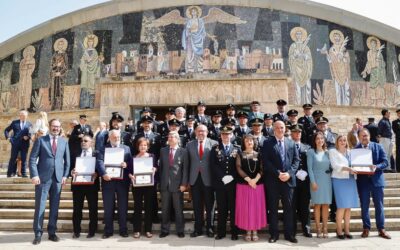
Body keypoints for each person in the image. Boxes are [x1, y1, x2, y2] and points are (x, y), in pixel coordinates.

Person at [29, 119, 70, 245]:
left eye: (58, 126)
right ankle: (38, 233)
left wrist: (65, 176)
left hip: (57, 179)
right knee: (40, 206)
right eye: (53, 126)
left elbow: (68, 162)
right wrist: (34, 175)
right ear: (49, 126)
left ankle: (52, 232)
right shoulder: (41, 140)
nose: (56, 128)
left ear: (60, 128)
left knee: (55, 207)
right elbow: (32, 159)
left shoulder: (64, 142)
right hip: (42, 179)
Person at [262, 120, 299, 243]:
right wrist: (278, 173)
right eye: (277, 127)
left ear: (285, 129)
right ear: (273, 129)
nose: (280, 129)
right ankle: (274, 234)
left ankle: (289, 234)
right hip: (273, 181)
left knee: (289, 208)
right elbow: (266, 162)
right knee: (273, 208)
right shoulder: (267, 143)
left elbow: (296, 161)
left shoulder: (291, 143)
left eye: (282, 127)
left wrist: (289, 173)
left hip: (288, 181)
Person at [356, 128, 391, 239]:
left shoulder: (378, 146)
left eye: (366, 135)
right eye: (362, 136)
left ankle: (381, 229)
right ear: (359, 137)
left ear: (369, 136)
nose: (364, 137)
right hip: (363, 182)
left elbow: (385, 162)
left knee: (379, 206)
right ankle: (366, 228)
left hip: (377, 181)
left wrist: (377, 167)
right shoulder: (355, 150)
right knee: (364, 206)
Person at [97, 129, 132, 239]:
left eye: (118, 137)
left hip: (122, 182)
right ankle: (108, 230)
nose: (116, 138)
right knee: (108, 207)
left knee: (123, 207)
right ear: (109, 137)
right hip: (108, 181)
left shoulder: (126, 148)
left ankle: (123, 230)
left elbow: (130, 162)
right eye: (114, 137)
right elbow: (99, 162)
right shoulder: (103, 149)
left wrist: (126, 164)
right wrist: (103, 173)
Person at [186, 124, 218, 237]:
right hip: (194, 179)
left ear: (207, 132)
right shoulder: (189, 145)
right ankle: (198, 229)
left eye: (203, 131)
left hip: (209, 179)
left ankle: (210, 228)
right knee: (197, 206)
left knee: (210, 206)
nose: (201, 133)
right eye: (199, 131)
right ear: (195, 132)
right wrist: (187, 181)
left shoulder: (214, 144)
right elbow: (187, 164)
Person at [210, 126, 240, 240]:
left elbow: (239, 166)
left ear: (231, 135)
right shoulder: (215, 148)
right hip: (220, 183)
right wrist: (223, 177)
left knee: (233, 209)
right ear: (221, 136)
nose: (226, 136)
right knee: (221, 209)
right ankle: (221, 232)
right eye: (223, 134)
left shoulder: (237, 148)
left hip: (233, 184)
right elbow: (213, 165)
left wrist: (231, 176)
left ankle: (234, 232)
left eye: (228, 134)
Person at [235, 134, 267, 241]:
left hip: (257, 185)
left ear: (254, 142)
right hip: (244, 185)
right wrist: (249, 180)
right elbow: (238, 168)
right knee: (246, 209)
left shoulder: (259, 154)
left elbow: (262, 169)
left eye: (251, 141)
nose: (249, 142)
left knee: (255, 208)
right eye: (247, 141)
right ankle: (248, 230)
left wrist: (255, 180)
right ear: (244, 143)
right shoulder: (240, 154)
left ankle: (255, 230)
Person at [328, 135, 359, 239]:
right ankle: (339, 230)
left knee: (348, 207)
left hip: (350, 180)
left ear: (347, 142)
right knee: (341, 206)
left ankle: (347, 230)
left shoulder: (351, 152)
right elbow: (335, 166)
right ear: (337, 142)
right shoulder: (333, 152)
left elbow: (357, 165)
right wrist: (347, 168)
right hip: (339, 180)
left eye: (344, 140)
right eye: (340, 140)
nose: (342, 142)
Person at [159, 131, 188, 238]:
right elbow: (161, 167)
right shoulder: (163, 150)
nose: (170, 138)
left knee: (178, 209)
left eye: (173, 137)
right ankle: (165, 230)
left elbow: (185, 169)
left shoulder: (183, 151)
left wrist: (184, 183)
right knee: (165, 209)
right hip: (165, 185)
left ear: (177, 139)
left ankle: (180, 230)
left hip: (178, 185)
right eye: (169, 136)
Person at [70, 135, 99, 239]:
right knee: (77, 209)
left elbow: (100, 167)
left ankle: (92, 231)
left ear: (91, 142)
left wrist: (97, 174)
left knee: (93, 209)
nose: (83, 142)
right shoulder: (75, 153)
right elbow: (70, 167)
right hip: (78, 186)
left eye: (86, 141)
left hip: (92, 186)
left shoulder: (97, 153)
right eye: (82, 141)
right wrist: (72, 172)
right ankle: (76, 231)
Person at [129, 137, 157, 238]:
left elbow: (155, 167)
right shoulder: (133, 158)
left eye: (145, 145)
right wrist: (130, 176)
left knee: (149, 208)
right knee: (137, 208)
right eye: (141, 145)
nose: (143, 147)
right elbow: (129, 171)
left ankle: (148, 230)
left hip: (149, 185)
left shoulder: (152, 156)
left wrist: (154, 169)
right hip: (137, 186)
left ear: (148, 147)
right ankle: (137, 230)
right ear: (138, 146)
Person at [307, 132, 332, 238]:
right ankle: (318, 228)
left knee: (326, 205)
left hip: (327, 181)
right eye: (317, 138)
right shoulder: (311, 152)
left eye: (322, 138)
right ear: (314, 140)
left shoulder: (328, 153)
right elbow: (310, 169)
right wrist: (313, 182)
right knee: (317, 205)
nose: (320, 140)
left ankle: (325, 228)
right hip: (316, 181)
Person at [290, 124, 312, 238]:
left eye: (299, 132)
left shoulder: (307, 147)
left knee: (305, 206)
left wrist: (306, 172)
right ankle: (292, 230)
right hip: (292, 181)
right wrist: (294, 173)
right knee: (292, 206)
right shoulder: (288, 146)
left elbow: (310, 163)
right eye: (295, 132)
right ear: (291, 133)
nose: (297, 134)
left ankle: (306, 228)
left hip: (304, 180)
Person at [4, 110, 32, 178]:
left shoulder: (29, 124)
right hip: (15, 143)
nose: (23, 117)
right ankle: (9, 173)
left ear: (27, 116)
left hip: (25, 144)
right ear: (19, 116)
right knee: (13, 158)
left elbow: (31, 133)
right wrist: (8, 138)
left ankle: (24, 173)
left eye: (24, 116)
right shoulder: (14, 123)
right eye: (21, 115)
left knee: (24, 159)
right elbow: (6, 130)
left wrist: (28, 136)